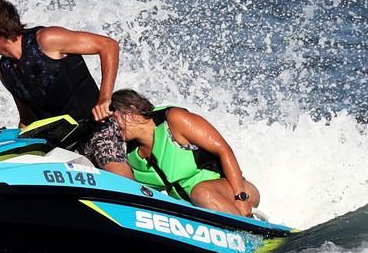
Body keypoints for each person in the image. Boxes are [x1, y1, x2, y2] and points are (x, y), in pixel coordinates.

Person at [0, 0, 132, 177]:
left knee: (109, 163)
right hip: (63, 142)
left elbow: (108, 45)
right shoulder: (6, 71)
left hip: (96, 126)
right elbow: (27, 120)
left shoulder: (47, 39)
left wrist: (104, 98)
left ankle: (137, 200)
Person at [110, 88, 261, 218]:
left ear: (131, 110)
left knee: (201, 192)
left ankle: (249, 233)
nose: (111, 128)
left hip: (236, 190)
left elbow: (224, 150)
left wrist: (240, 198)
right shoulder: (130, 155)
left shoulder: (174, 119)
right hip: (194, 212)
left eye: (113, 119)